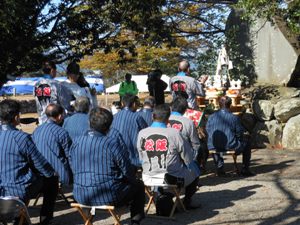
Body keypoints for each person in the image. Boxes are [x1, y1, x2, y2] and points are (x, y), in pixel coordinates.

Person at [70, 107, 145, 225]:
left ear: (89, 122)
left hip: (80, 194)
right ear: (109, 127)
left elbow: (72, 166)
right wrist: (131, 180)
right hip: (108, 195)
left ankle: (88, 218)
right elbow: (126, 170)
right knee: (139, 186)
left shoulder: (76, 142)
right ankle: (135, 221)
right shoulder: (111, 143)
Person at [0, 99, 58, 225]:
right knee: (52, 180)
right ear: (16, 117)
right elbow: (39, 163)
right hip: (18, 189)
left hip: (2, 190)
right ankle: (45, 220)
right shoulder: (21, 137)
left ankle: (21, 219)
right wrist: (51, 173)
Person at [137, 104, 200, 209]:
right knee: (195, 169)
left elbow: (141, 158)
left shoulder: (142, 133)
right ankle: (187, 201)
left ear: (153, 116)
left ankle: (160, 196)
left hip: (148, 177)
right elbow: (188, 158)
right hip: (171, 178)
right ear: (168, 119)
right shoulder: (174, 133)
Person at [206, 96, 254, 176]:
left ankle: (220, 168)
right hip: (230, 145)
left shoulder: (211, 117)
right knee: (247, 143)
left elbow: (208, 130)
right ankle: (245, 169)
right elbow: (239, 133)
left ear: (218, 104)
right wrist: (238, 140)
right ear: (230, 105)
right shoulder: (234, 118)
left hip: (213, 145)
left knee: (215, 142)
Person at [32, 103, 73, 185]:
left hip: (39, 172)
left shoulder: (37, 130)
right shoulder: (61, 132)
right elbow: (70, 155)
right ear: (60, 116)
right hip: (59, 173)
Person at [111, 94, 147, 167]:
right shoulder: (137, 117)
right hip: (133, 158)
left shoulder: (114, 116)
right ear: (134, 104)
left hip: (115, 155)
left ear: (122, 103)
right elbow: (146, 132)